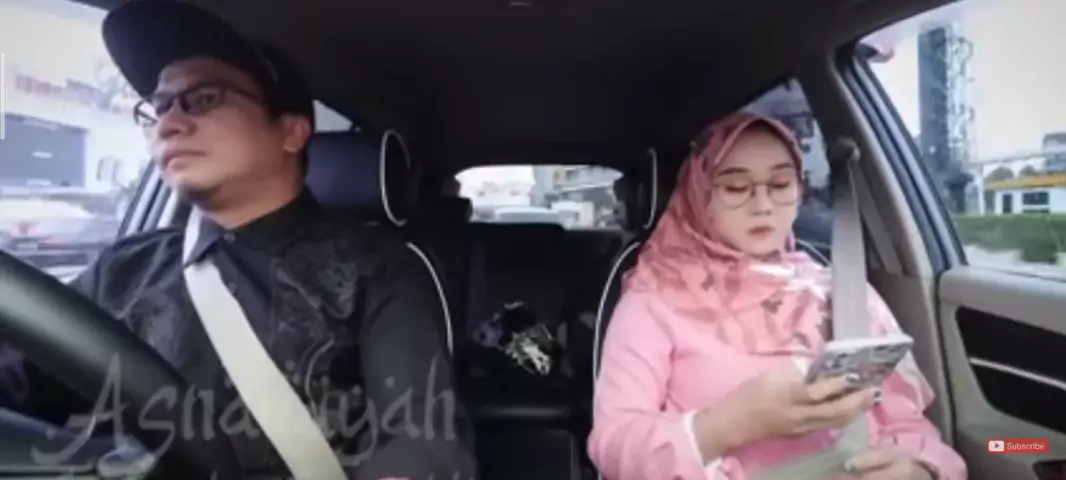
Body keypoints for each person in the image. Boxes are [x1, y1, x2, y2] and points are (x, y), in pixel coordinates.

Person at [0, 1, 477, 479]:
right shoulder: (124, 268)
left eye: (203, 98)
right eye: (159, 106)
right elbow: (23, 383)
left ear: (290, 132)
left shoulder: (381, 268)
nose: (169, 124)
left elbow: (418, 449)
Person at [587, 113, 966, 479]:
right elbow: (614, 443)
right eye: (736, 188)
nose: (763, 205)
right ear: (701, 195)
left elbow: (907, 422)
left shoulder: (844, 292)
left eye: (781, 184)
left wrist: (919, 469)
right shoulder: (655, 300)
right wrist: (724, 425)